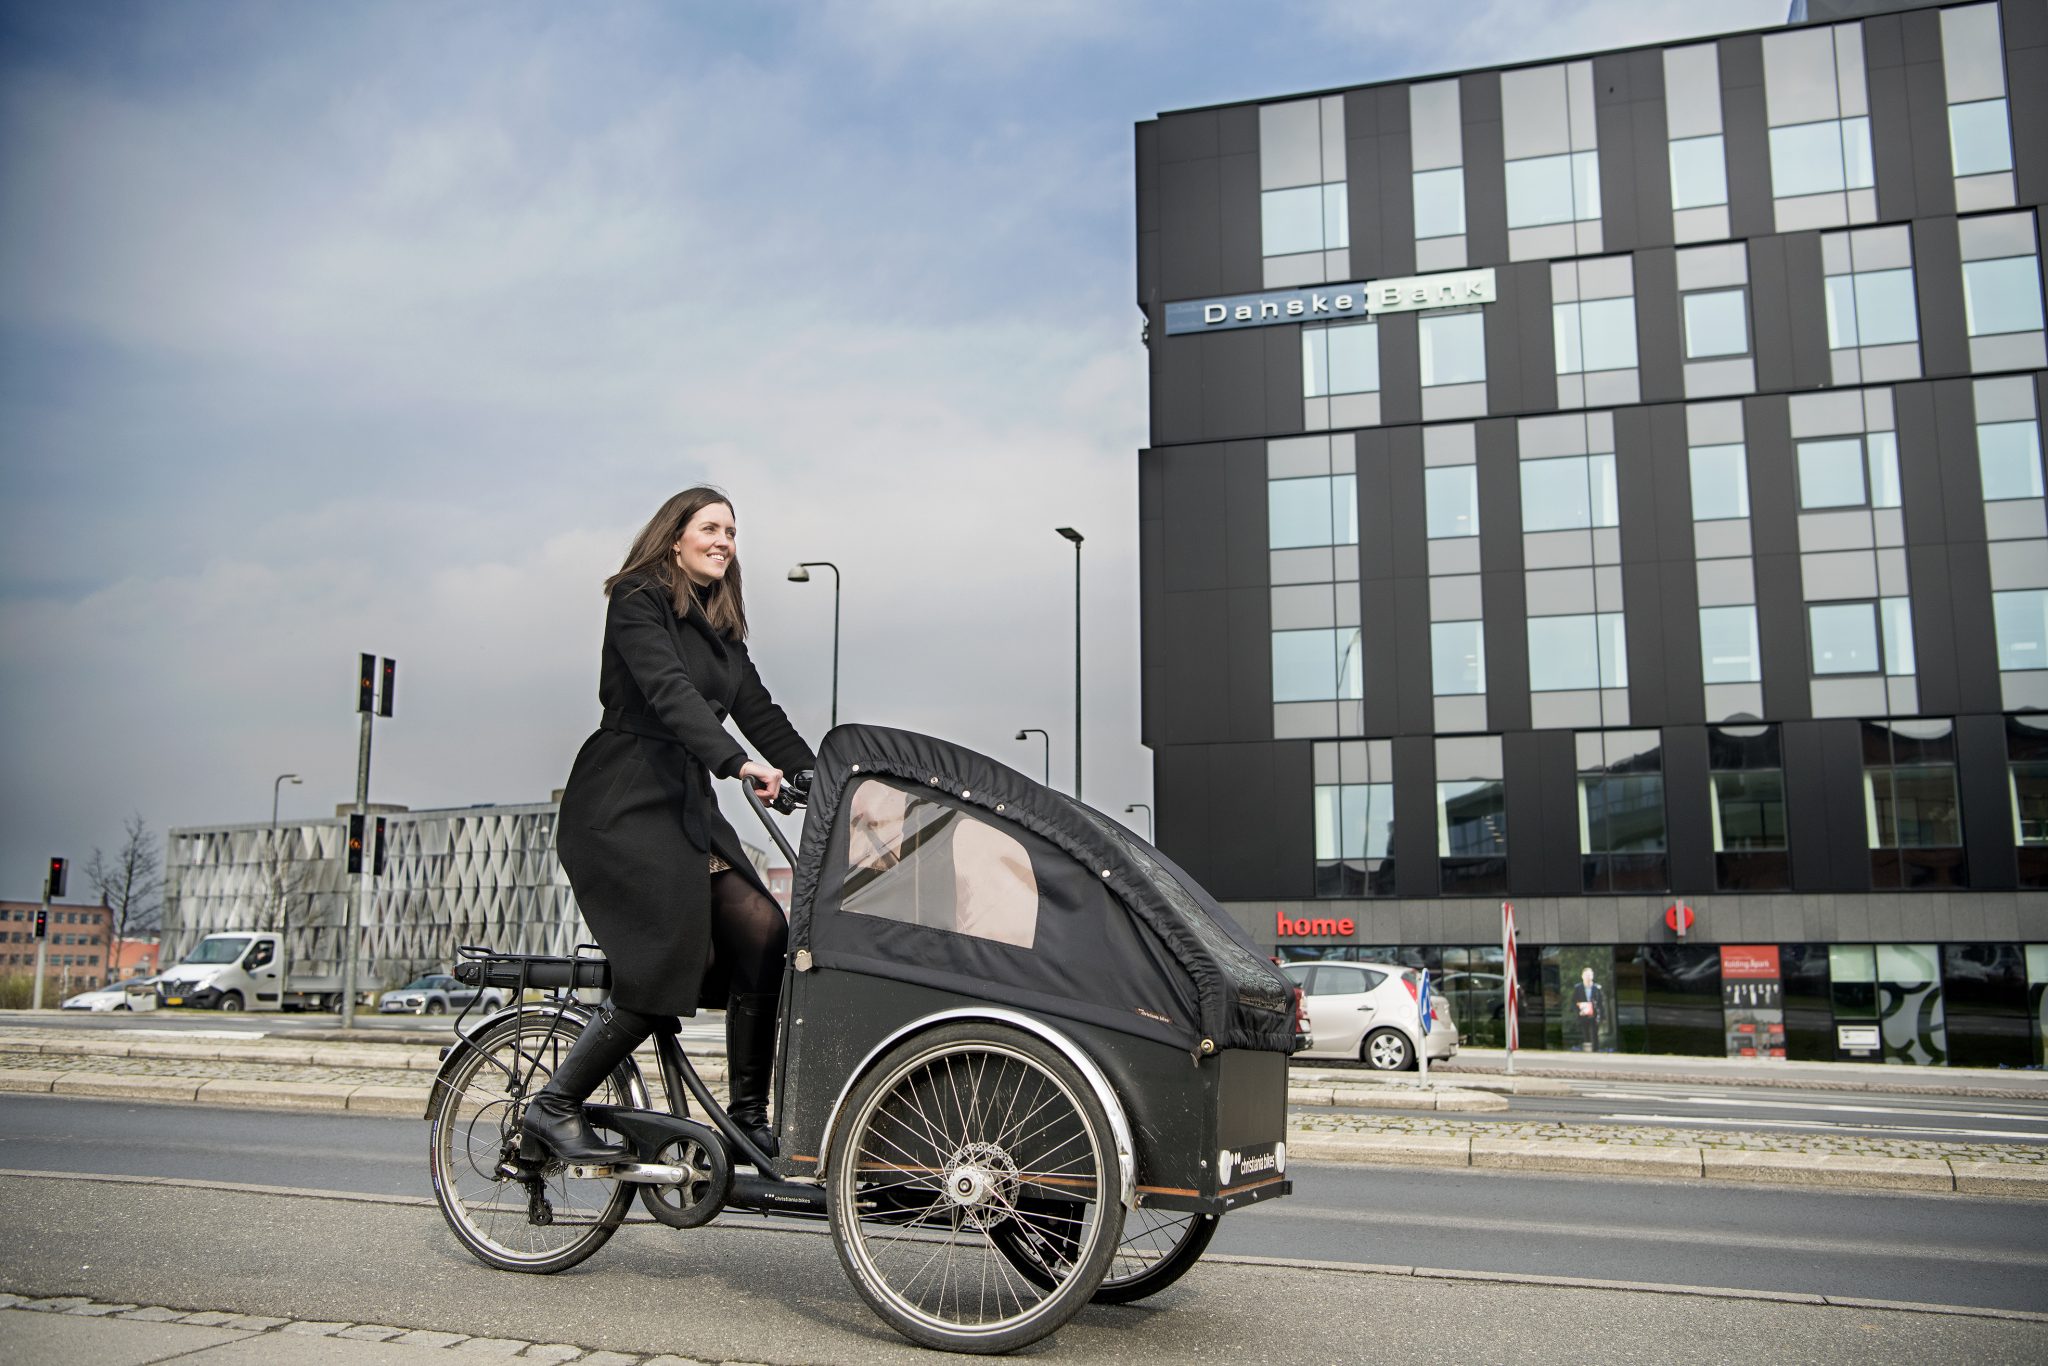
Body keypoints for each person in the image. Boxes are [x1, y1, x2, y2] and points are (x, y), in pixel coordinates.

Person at [528, 487, 815, 1166]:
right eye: (711, 527)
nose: (724, 541)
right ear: (676, 536)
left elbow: (761, 710)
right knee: (662, 961)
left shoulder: (719, 629)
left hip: (683, 802)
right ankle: (554, 1105)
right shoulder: (638, 598)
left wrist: (834, 779)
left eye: (733, 532)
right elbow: (668, 692)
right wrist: (737, 763)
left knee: (763, 929)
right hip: (624, 802)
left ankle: (747, 1119)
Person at [1569, 965, 1605, 1052]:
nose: (1588, 977)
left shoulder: (1597, 988)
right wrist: (1579, 1009)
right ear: (1582, 976)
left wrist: (1603, 1016)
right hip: (1583, 1014)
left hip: (1594, 1014)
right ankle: (1586, 1051)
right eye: (1586, 975)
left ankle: (1596, 1050)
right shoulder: (1578, 988)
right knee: (1585, 1033)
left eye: (1589, 975)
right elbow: (1573, 1001)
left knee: (1595, 1034)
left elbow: (1601, 1003)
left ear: (1592, 976)